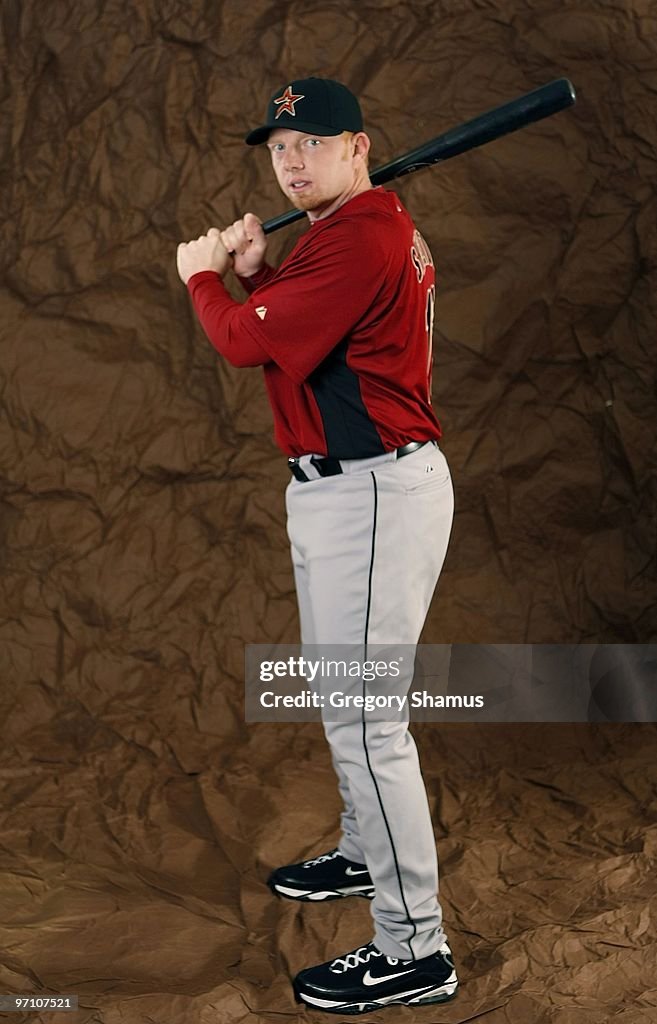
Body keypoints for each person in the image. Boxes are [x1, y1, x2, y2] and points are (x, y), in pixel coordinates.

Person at [176, 77, 457, 1015]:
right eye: (278, 148)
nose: (291, 161)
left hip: (372, 491)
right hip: (348, 489)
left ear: (358, 146)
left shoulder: (362, 235)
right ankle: (360, 849)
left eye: (312, 144)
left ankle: (414, 948)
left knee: (366, 723)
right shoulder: (346, 231)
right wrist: (258, 274)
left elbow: (246, 345)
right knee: (349, 708)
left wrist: (206, 279)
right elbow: (311, 337)